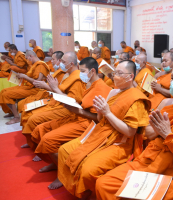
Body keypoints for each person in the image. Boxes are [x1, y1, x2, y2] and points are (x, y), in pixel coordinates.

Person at [95, 60, 173, 200]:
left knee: (134, 196)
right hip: (149, 161)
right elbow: (148, 134)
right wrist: (159, 131)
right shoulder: (167, 104)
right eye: (172, 78)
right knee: (103, 184)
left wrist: (168, 135)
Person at [58, 60, 151, 198]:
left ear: (130, 76)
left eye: (119, 73)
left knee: (88, 168)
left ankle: (91, 194)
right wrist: (101, 111)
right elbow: (101, 120)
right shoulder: (113, 92)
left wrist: (107, 112)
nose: (114, 76)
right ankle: (81, 191)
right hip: (99, 134)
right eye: (114, 72)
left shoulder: (136, 99)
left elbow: (130, 132)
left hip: (119, 143)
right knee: (64, 151)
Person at [29, 57, 112, 189]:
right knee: (42, 129)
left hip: (87, 123)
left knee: (48, 140)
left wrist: (78, 111)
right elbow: (81, 102)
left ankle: (62, 175)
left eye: (83, 71)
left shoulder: (102, 88)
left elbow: (99, 118)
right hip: (76, 116)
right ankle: (55, 163)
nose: (81, 74)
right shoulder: (90, 84)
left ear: (92, 71)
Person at [20, 52, 86, 147]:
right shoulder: (69, 75)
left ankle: (38, 145)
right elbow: (62, 90)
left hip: (66, 108)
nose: (60, 63)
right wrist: (53, 88)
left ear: (71, 64)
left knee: (33, 118)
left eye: (63, 61)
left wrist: (54, 88)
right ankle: (32, 142)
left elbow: (72, 101)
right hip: (56, 101)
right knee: (27, 110)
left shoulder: (77, 78)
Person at [0, 50, 50, 125]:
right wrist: (22, 76)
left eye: (27, 58)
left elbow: (37, 83)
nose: (27, 61)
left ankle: (16, 118)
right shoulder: (35, 64)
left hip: (36, 89)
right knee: (3, 91)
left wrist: (25, 76)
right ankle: (12, 112)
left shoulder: (41, 65)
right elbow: (30, 77)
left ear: (31, 57)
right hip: (29, 86)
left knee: (6, 95)